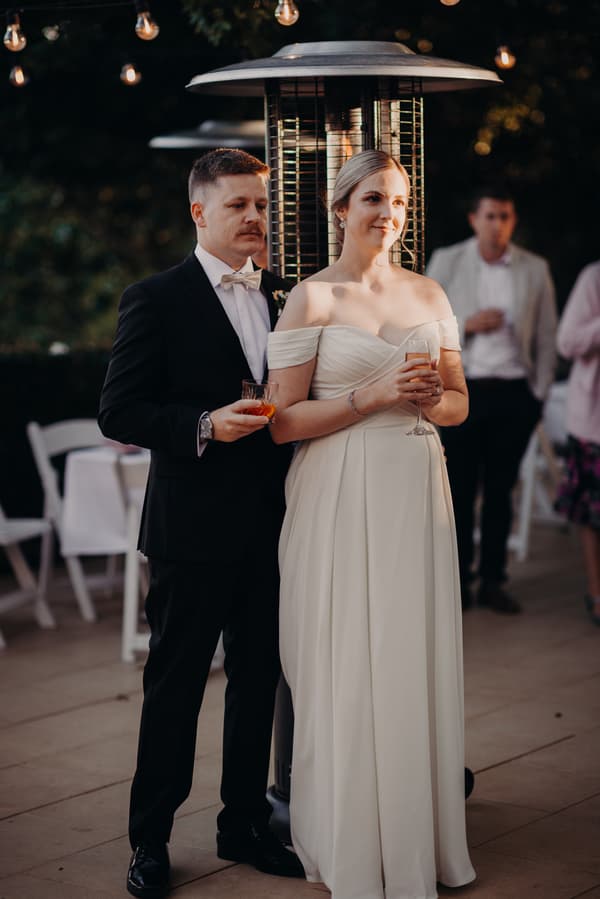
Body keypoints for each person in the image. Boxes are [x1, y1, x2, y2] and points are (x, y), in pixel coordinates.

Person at [267, 149, 475, 899]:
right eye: (374, 200)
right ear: (340, 206)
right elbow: (281, 422)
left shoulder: (429, 290)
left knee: (409, 653)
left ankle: (418, 835)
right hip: (336, 488)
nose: (388, 214)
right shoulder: (311, 300)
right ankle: (352, 838)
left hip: (416, 485)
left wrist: (424, 401)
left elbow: (458, 402)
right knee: (349, 658)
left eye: (399, 201)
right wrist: (372, 393)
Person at [98, 148, 303, 898]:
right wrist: (206, 425)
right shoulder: (154, 297)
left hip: (271, 527)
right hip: (189, 532)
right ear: (199, 213)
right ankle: (149, 842)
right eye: (239, 206)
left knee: (256, 680)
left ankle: (242, 823)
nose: (255, 218)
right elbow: (117, 410)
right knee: (175, 687)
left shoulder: (287, 294)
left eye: (261, 205)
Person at [426, 185, 557, 614]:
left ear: (512, 221)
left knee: (502, 491)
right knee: (459, 490)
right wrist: (468, 324)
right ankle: (458, 583)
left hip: (515, 392)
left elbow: (546, 336)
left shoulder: (534, 269)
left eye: (505, 216)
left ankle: (493, 582)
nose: (497, 224)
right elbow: (424, 325)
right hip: (464, 389)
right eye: (490, 216)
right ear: (473, 219)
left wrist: (537, 394)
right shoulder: (448, 260)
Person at [555, 260, 600, 625]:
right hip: (594, 422)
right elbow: (567, 342)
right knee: (592, 513)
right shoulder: (593, 278)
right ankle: (596, 594)